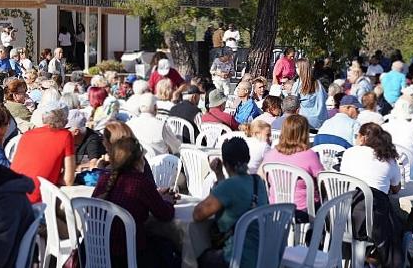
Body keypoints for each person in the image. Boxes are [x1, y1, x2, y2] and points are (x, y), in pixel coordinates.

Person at [93, 136, 176, 268]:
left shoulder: (104, 178)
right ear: (138, 160)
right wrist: (168, 201)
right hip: (130, 255)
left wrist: (155, 196)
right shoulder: (140, 182)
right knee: (169, 249)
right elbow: (165, 215)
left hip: (98, 252)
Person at [194, 137, 268, 268]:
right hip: (262, 257)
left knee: (194, 256)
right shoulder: (258, 182)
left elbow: (198, 214)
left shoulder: (228, 187)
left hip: (236, 259)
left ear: (226, 163)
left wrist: (219, 175)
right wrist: (219, 175)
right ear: (248, 158)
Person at [339, 123, 403, 267]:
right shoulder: (389, 159)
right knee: (396, 223)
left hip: (343, 217)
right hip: (373, 223)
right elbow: (396, 188)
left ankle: (367, 254)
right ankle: (376, 255)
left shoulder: (349, 153)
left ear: (362, 138)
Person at [261, 115, 324, 222]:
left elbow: (263, 177)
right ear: (304, 133)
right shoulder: (309, 155)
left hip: (275, 209)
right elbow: (322, 181)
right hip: (304, 211)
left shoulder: (271, 154)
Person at [11, 101, 75, 203]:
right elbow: (68, 180)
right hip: (35, 201)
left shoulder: (27, 135)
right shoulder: (66, 136)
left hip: (10, 194)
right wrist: (51, 178)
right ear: (65, 120)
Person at [291, 58, 328, 130]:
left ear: (301, 69)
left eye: (296, 67)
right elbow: (325, 97)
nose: (296, 70)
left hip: (305, 122)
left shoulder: (298, 84)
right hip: (321, 120)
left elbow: (293, 103)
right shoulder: (318, 83)